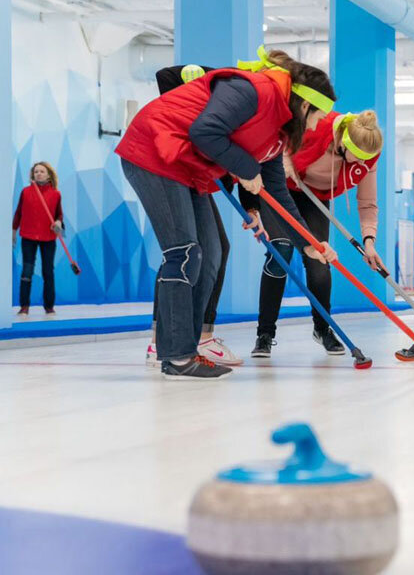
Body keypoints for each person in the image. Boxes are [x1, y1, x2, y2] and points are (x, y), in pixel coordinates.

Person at [116, 48, 338, 380]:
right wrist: (246, 168)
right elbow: (205, 131)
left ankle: (188, 349)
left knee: (213, 252)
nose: (317, 126)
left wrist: (308, 243)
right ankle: (176, 356)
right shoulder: (252, 89)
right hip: (154, 150)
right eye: (318, 117)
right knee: (185, 252)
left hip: (185, 165)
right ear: (304, 104)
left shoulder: (277, 132)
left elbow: (277, 193)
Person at [248, 110, 385, 358]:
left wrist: (369, 242)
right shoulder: (317, 125)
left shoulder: (368, 158)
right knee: (280, 253)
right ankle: (265, 334)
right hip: (282, 189)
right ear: (344, 141)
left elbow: (367, 203)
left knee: (319, 262)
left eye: (367, 159)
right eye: (358, 157)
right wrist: (282, 158)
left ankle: (323, 329)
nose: (361, 164)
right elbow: (275, 133)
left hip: (316, 199)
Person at [144, 64, 242, 367]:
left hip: (198, 175)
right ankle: (170, 340)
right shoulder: (229, 88)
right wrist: (193, 84)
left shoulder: (254, 116)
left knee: (214, 250)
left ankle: (197, 335)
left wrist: (252, 209)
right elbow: (165, 75)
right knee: (183, 253)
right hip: (173, 167)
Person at [12, 162, 64, 316]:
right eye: (36, 172)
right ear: (32, 175)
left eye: (42, 171)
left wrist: (58, 222)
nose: (39, 174)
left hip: (48, 238)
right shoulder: (26, 192)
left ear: (48, 174)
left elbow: (59, 215)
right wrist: (14, 230)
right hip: (28, 236)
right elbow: (18, 213)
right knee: (27, 270)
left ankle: (49, 306)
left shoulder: (56, 194)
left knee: (48, 271)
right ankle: (24, 306)